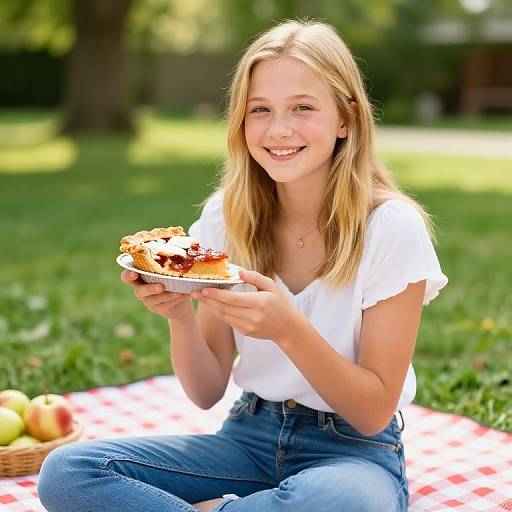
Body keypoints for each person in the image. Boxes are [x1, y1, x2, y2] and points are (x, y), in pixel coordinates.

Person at [38, 19, 448, 512]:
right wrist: (178, 315)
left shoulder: (392, 229)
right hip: (249, 438)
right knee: (70, 471)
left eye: (303, 108)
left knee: (341, 500)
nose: (279, 129)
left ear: (347, 120)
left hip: (353, 452)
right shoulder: (226, 218)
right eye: (260, 110)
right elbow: (206, 390)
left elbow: (372, 411)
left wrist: (289, 329)